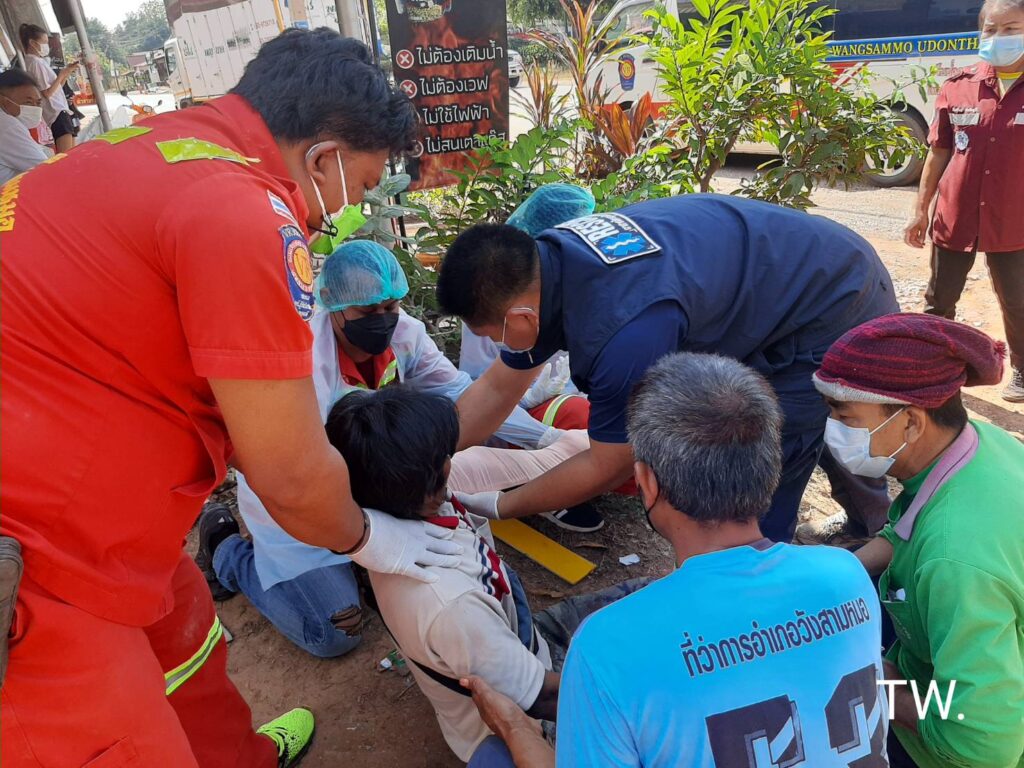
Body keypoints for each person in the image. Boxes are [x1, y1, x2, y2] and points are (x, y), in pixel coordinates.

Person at [0, 29, 463, 768]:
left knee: (186, 641)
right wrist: (378, 540)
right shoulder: (243, 212)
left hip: (102, 502)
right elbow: (289, 474)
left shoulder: (151, 147)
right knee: (114, 742)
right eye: (364, 183)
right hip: (38, 555)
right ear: (323, 158)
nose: (339, 215)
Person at [461, 352, 889, 767]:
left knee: (491, 758)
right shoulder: (846, 575)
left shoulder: (608, 645)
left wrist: (515, 728)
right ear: (769, 469)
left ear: (646, 482)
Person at [197, 239, 580, 658]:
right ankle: (227, 551)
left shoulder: (406, 334)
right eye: (367, 312)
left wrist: (545, 439)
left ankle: (358, 553)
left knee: (426, 547)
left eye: (391, 307)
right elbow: (297, 470)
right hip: (301, 497)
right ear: (332, 303)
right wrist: (367, 536)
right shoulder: (305, 361)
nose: (383, 320)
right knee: (333, 631)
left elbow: (463, 396)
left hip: (372, 479)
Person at [441, 193, 898, 542]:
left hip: (833, 297)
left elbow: (607, 464)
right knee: (808, 425)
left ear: (521, 318)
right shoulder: (546, 267)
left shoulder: (622, 332)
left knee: (769, 453)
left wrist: (502, 505)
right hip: (780, 277)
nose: (497, 346)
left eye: (494, 335)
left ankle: (765, 586)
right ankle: (868, 524)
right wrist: (429, 459)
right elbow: (497, 390)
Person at [323, 387, 645, 766]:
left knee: (652, 596)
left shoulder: (393, 514)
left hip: (521, 643)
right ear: (433, 474)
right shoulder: (451, 605)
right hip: (523, 720)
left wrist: (499, 503)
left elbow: (522, 463)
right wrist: (645, 698)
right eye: (446, 454)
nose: (452, 458)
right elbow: (542, 698)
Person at [813, 313, 1024, 768]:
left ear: (910, 422)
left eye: (843, 414)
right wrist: (842, 569)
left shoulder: (954, 562)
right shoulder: (977, 443)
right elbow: (908, 525)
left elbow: (983, 742)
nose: (832, 426)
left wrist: (874, 684)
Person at [903, 0, 1024, 403]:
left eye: (1011, 29)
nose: (999, 37)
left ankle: (1023, 369)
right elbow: (938, 151)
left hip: (1015, 220)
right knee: (939, 299)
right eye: (991, 29)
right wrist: (920, 211)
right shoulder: (958, 85)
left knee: (1018, 301)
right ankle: (933, 367)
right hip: (955, 216)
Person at [18, 24, 78, 153]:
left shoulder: (37, 62)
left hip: (59, 112)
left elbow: (55, 89)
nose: (47, 46)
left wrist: (66, 73)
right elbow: (47, 93)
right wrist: (61, 74)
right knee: (67, 156)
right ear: (32, 43)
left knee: (70, 154)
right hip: (57, 113)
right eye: (44, 42)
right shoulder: (35, 63)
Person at [0, 69, 51, 185]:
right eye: (28, 102)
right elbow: (45, 168)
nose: (34, 108)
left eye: (38, 103)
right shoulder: (7, 125)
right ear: (2, 101)